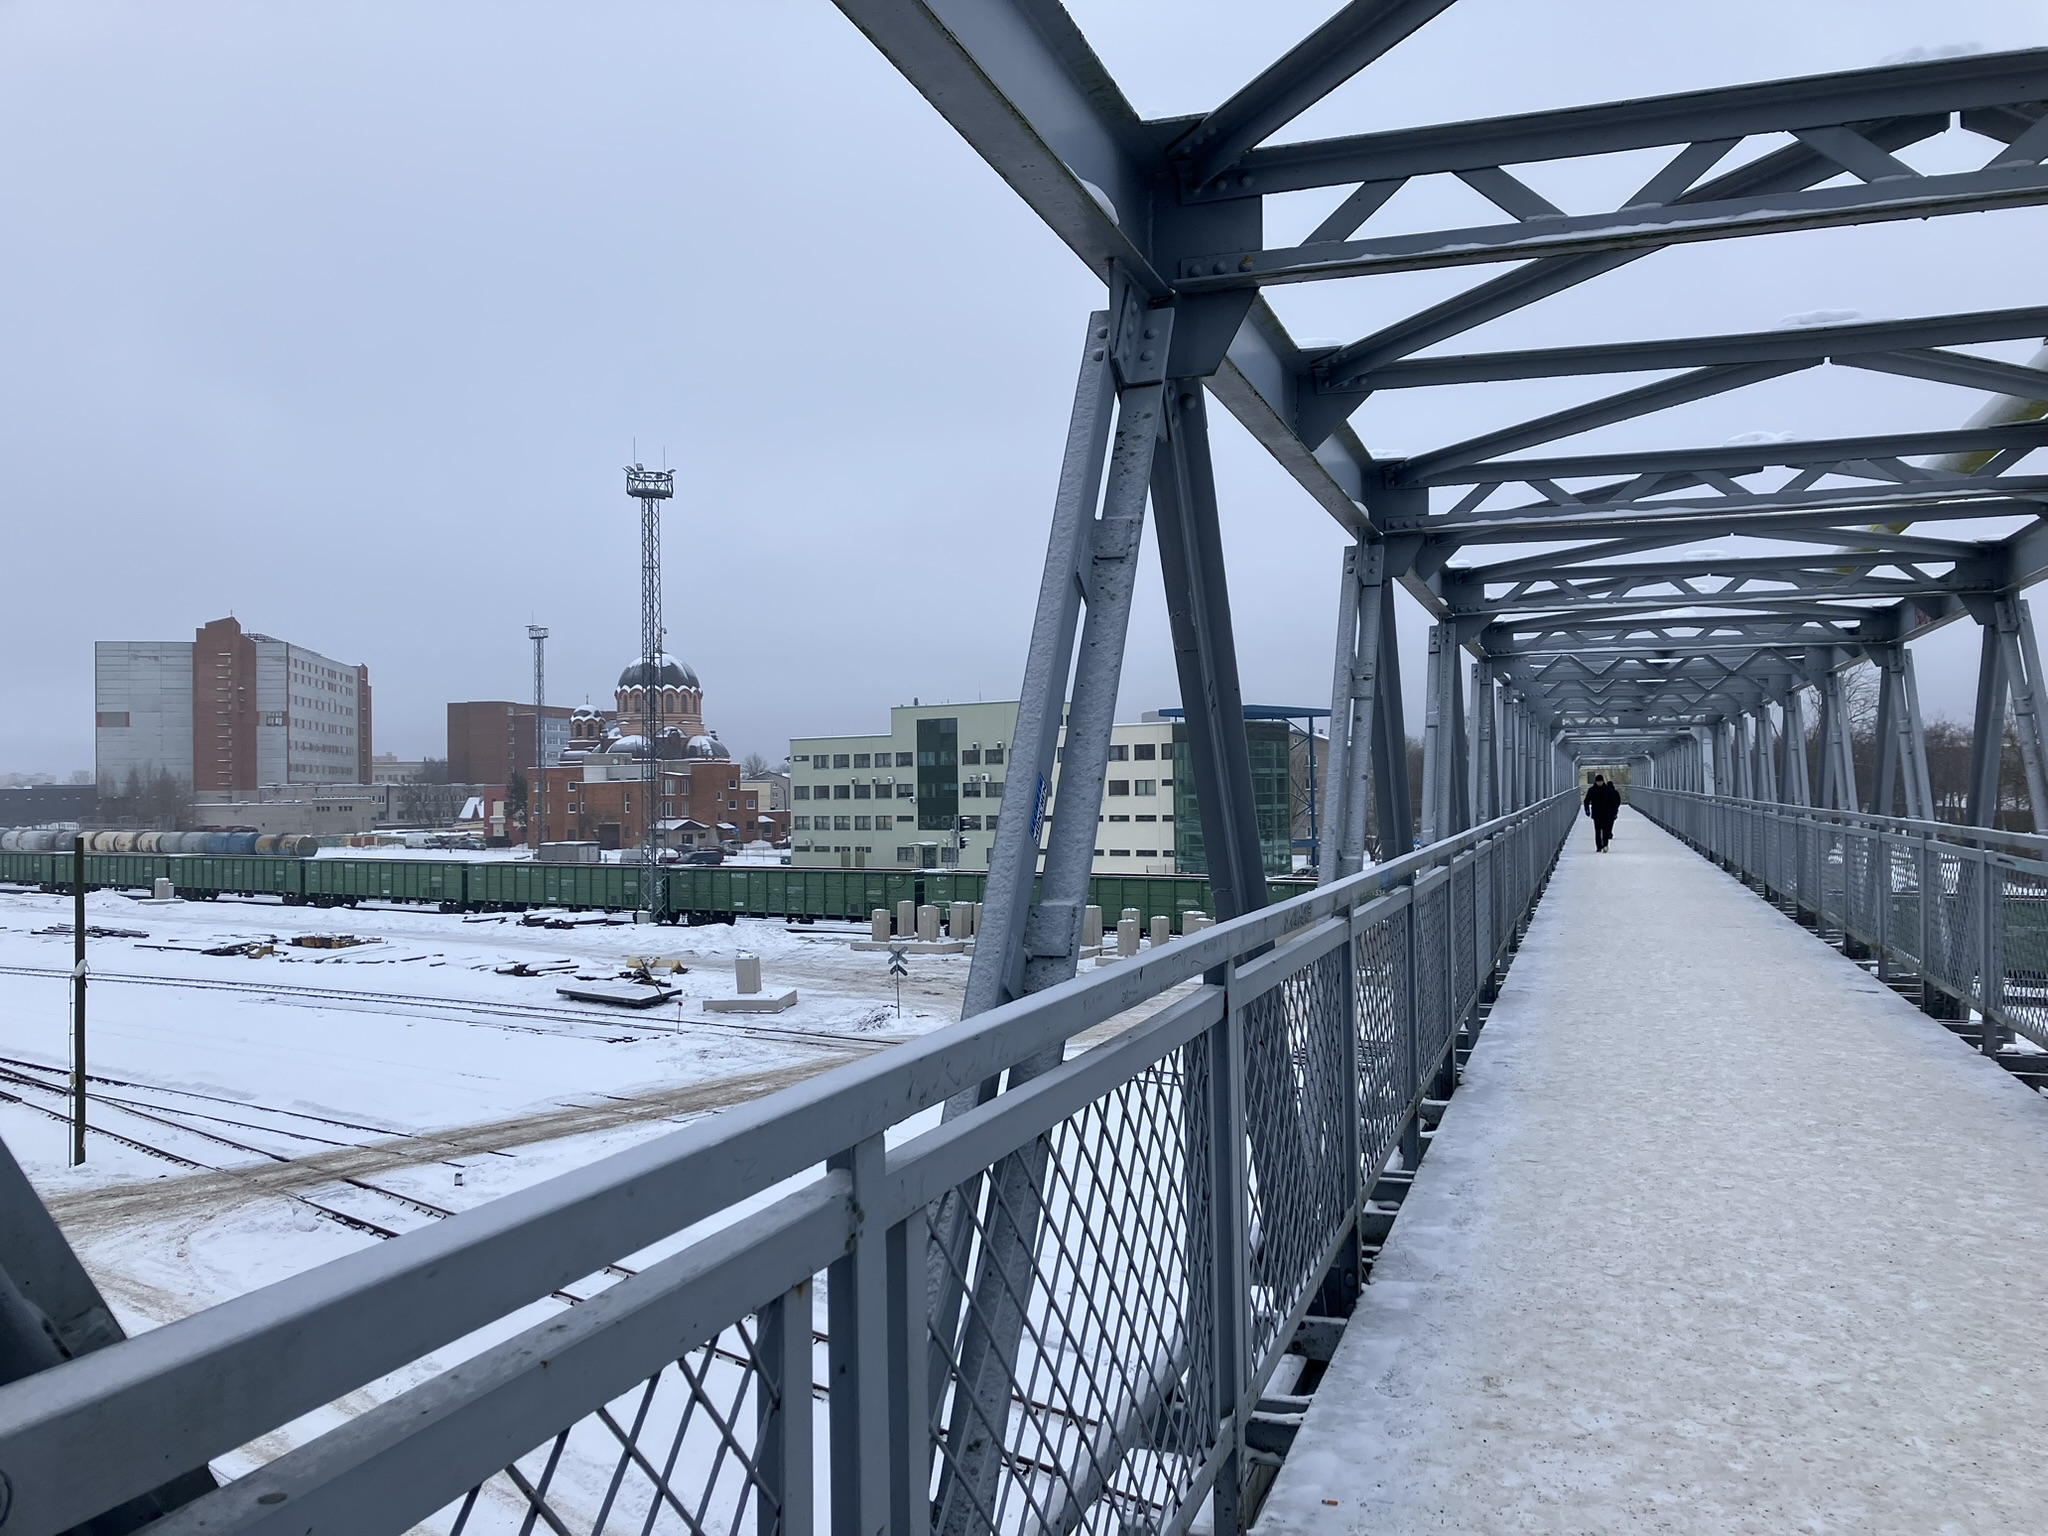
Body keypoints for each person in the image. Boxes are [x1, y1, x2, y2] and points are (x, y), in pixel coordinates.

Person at [1584, 773, 1622, 852]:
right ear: (1596, 782)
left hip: (1606, 813)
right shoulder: (1592, 790)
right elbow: (1587, 800)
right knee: (1597, 831)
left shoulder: (1608, 790)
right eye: (1598, 782)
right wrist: (1587, 809)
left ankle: (1605, 845)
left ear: (1603, 781)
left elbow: (1613, 802)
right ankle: (1599, 846)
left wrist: (1614, 811)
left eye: (1600, 781)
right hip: (1596, 813)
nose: (1599, 783)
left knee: (1605, 830)